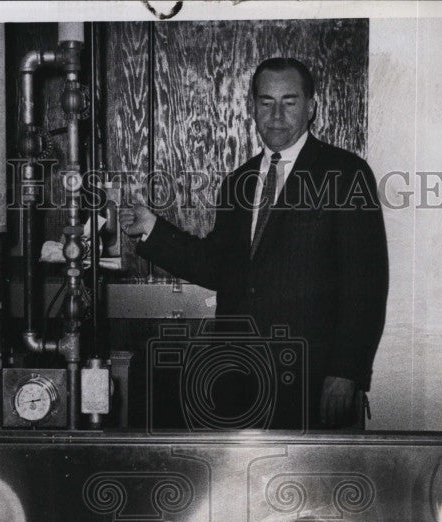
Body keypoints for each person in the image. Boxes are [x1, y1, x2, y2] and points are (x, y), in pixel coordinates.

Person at [120, 57, 389, 430]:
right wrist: (153, 229)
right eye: (266, 102)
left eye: (289, 101)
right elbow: (219, 266)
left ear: (311, 107)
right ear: (253, 108)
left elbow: (366, 286)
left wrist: (346, 372)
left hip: (312, 383)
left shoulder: (346, 174)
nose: (276, 114)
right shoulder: (238, 181)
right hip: (237, 381)